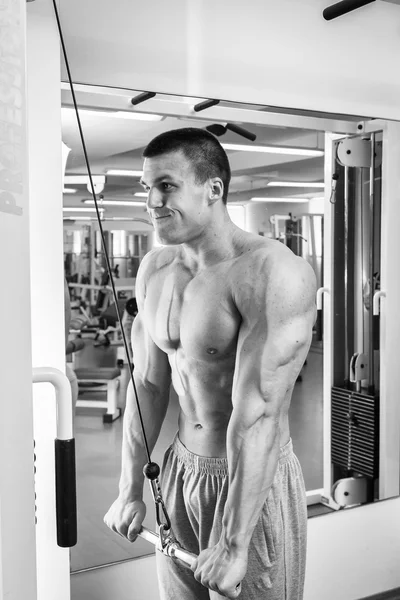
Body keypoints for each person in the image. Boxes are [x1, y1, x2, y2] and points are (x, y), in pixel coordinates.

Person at [104, 128, 317, 600]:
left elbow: (258, 412)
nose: (152, 200)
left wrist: (235, 539)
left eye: (167, 185)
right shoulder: (156, 269)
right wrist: (129, 486)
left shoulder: (271, 273)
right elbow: (149, 386)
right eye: (147, 188)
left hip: (250, 481)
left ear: (213, 189)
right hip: (180, 471)